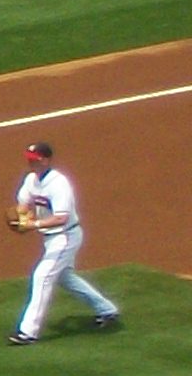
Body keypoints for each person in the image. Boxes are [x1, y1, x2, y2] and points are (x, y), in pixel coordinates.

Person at [7, 140, 125, 345]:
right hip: (50, 238)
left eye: (35, 160)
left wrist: (33, 224)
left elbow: (61, 217)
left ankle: (28, 332)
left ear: (46, 160)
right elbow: (23, 204)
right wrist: (21, 217)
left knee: (42, 275)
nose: (31, 164)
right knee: (64, 278)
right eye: (29, 160)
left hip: (66, 236)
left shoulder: (59, 184)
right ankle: (107, 310)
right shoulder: (31, 180)